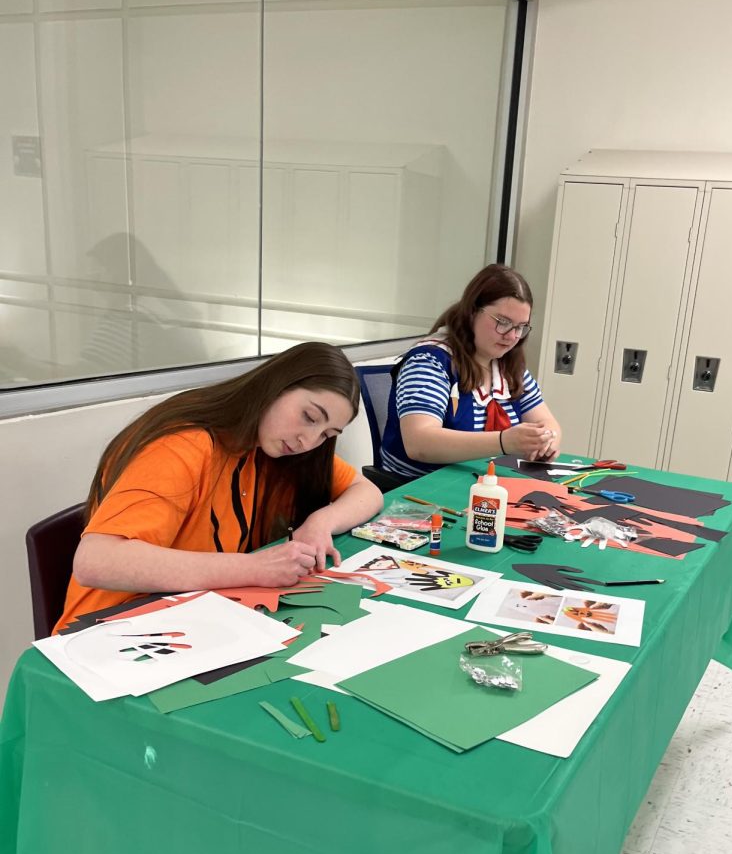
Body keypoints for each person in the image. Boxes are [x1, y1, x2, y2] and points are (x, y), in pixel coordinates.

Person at [57, 342, 384, 631]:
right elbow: (97, 561)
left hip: (199, 616)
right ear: (274, 386)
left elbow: (366, 491)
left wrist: (319, 523)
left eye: (327, 435)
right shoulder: (184, 446)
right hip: (112, 633)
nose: (309, 441)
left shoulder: (273, 450)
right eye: (310, 417)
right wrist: (256, 568)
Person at [379, 264, 562, 478]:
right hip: (423, 488)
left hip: (483, 481)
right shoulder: (430, 361)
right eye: (503, 322)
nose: (512, 336)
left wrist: (546, 440)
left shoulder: (507, 364)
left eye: (521, 327)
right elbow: (419, 442)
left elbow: (548, 422)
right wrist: (504, 441)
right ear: (472, 312)